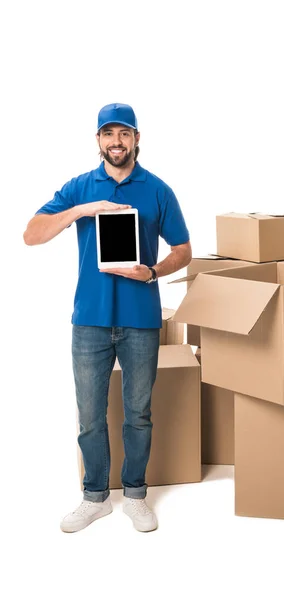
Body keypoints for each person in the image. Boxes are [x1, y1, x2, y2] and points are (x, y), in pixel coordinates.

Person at [23, 103, 192, 534]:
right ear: (98, 140)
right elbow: (32, 234)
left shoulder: (157, 190)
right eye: (108, 134)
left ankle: (135, 494)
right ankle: (94, 497)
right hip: (90, 321)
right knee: (90, 416)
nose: (116, 141)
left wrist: (151, 271)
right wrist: (82, 211)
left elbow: (183, 251)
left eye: (124, 133)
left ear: (137, 139)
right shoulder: (80, 187)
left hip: (141, 319)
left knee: (138, 413)